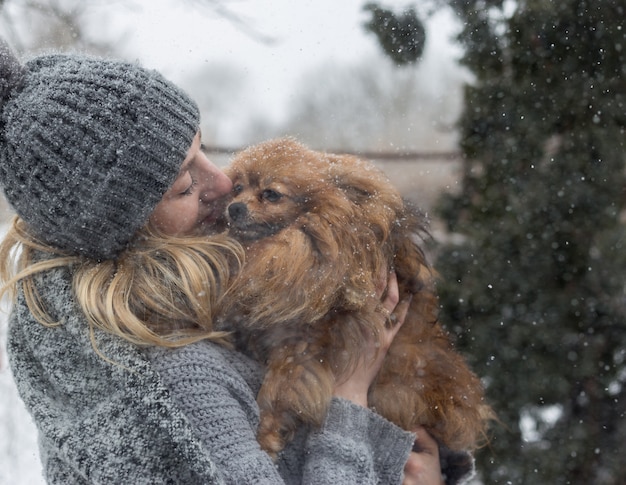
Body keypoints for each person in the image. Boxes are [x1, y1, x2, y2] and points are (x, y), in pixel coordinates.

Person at [0, 40, 474, 484]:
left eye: (203, 149)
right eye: (185, 185)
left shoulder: (90, 338)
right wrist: (349, 399)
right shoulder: (175, 381)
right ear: (123, 232)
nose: (223, 184)